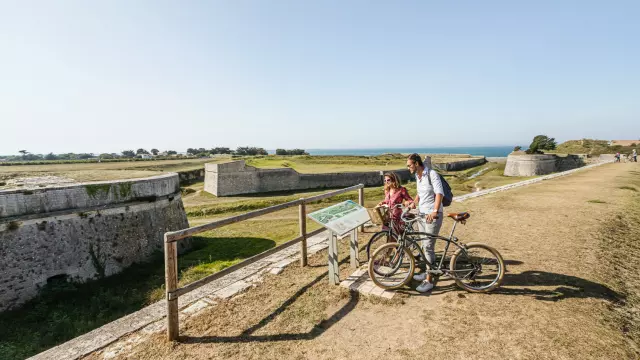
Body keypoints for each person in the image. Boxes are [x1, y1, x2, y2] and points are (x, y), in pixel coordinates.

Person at [406, 153, 444, 293]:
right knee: (424, 245)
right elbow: (419, 194)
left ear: (416, 163)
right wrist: (413, 204)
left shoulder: (432, 174)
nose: (408, 168)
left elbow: (439, 193)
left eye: (409, 165)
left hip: (432, 216)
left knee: (428, 246)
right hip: (422, 214)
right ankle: (429, 271)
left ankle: (428, 280)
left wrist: (434, 211)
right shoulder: (418, 176)